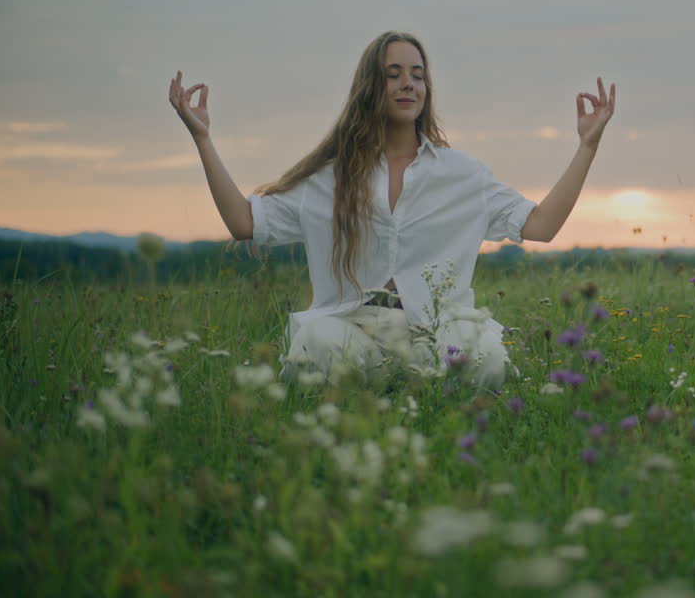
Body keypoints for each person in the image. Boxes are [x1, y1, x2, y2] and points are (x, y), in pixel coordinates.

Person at [168, 30, 616, 389]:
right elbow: (244, 222)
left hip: (438, 333)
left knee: (485, 357)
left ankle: (403, 387)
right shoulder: (332, 176)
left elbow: (541, 226)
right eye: (394, 74)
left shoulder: (463, 174)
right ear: (370, 87)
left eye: (417, 75)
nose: (408, 83)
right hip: (353, 328)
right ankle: (395, 387)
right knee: (315, 347)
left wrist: (587, 147)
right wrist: (203, 139)